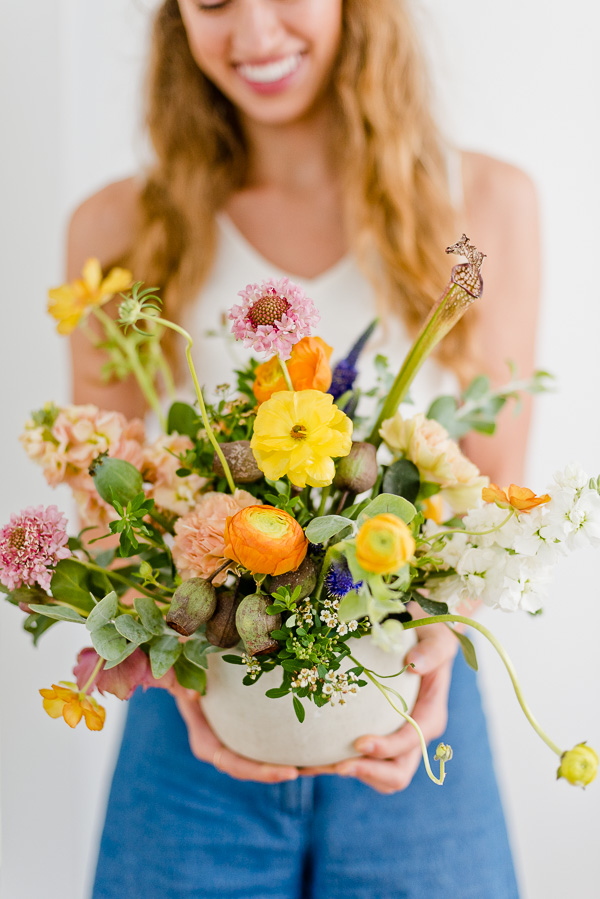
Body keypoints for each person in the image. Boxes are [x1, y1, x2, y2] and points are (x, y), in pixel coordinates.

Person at [68, 1, 539, 896]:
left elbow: (494, 492)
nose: (253, 35)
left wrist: (440, 647)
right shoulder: (117, 227)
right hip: (192, 719)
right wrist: (185, 684)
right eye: (211, 1)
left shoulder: (485, 205)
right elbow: (103, 510)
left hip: (413, 706)